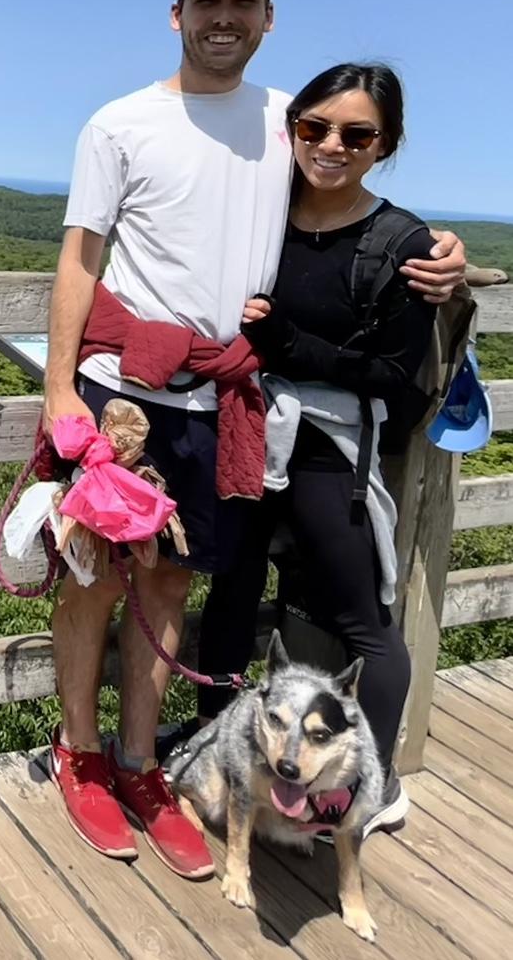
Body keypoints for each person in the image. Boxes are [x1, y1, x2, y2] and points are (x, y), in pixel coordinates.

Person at [41, 0, 465, 880]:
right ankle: (80, 755)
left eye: (245, 1)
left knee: (167, 584)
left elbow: (347, 187)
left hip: (225, 397)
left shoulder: (289, 120)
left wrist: (438, 250)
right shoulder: (120, 124)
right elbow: (80, 258)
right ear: (176, 13)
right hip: (126, 391)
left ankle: (144, 766)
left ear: (269, 19)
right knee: (93, 578)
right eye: (208, 1)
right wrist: (61, 387)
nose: (224, 16)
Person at [194, 63, 432, 837]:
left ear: (383, 144)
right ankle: (219, 755)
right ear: (292, 129)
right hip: (249, 429)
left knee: (364, 622)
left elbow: (396, 376)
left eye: (356, 134)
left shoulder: (400, 242)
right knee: (230, 594)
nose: (331, 145)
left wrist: (291, 345)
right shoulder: (264, 209)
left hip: (329, 448)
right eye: (314, 128)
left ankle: (371, 782)